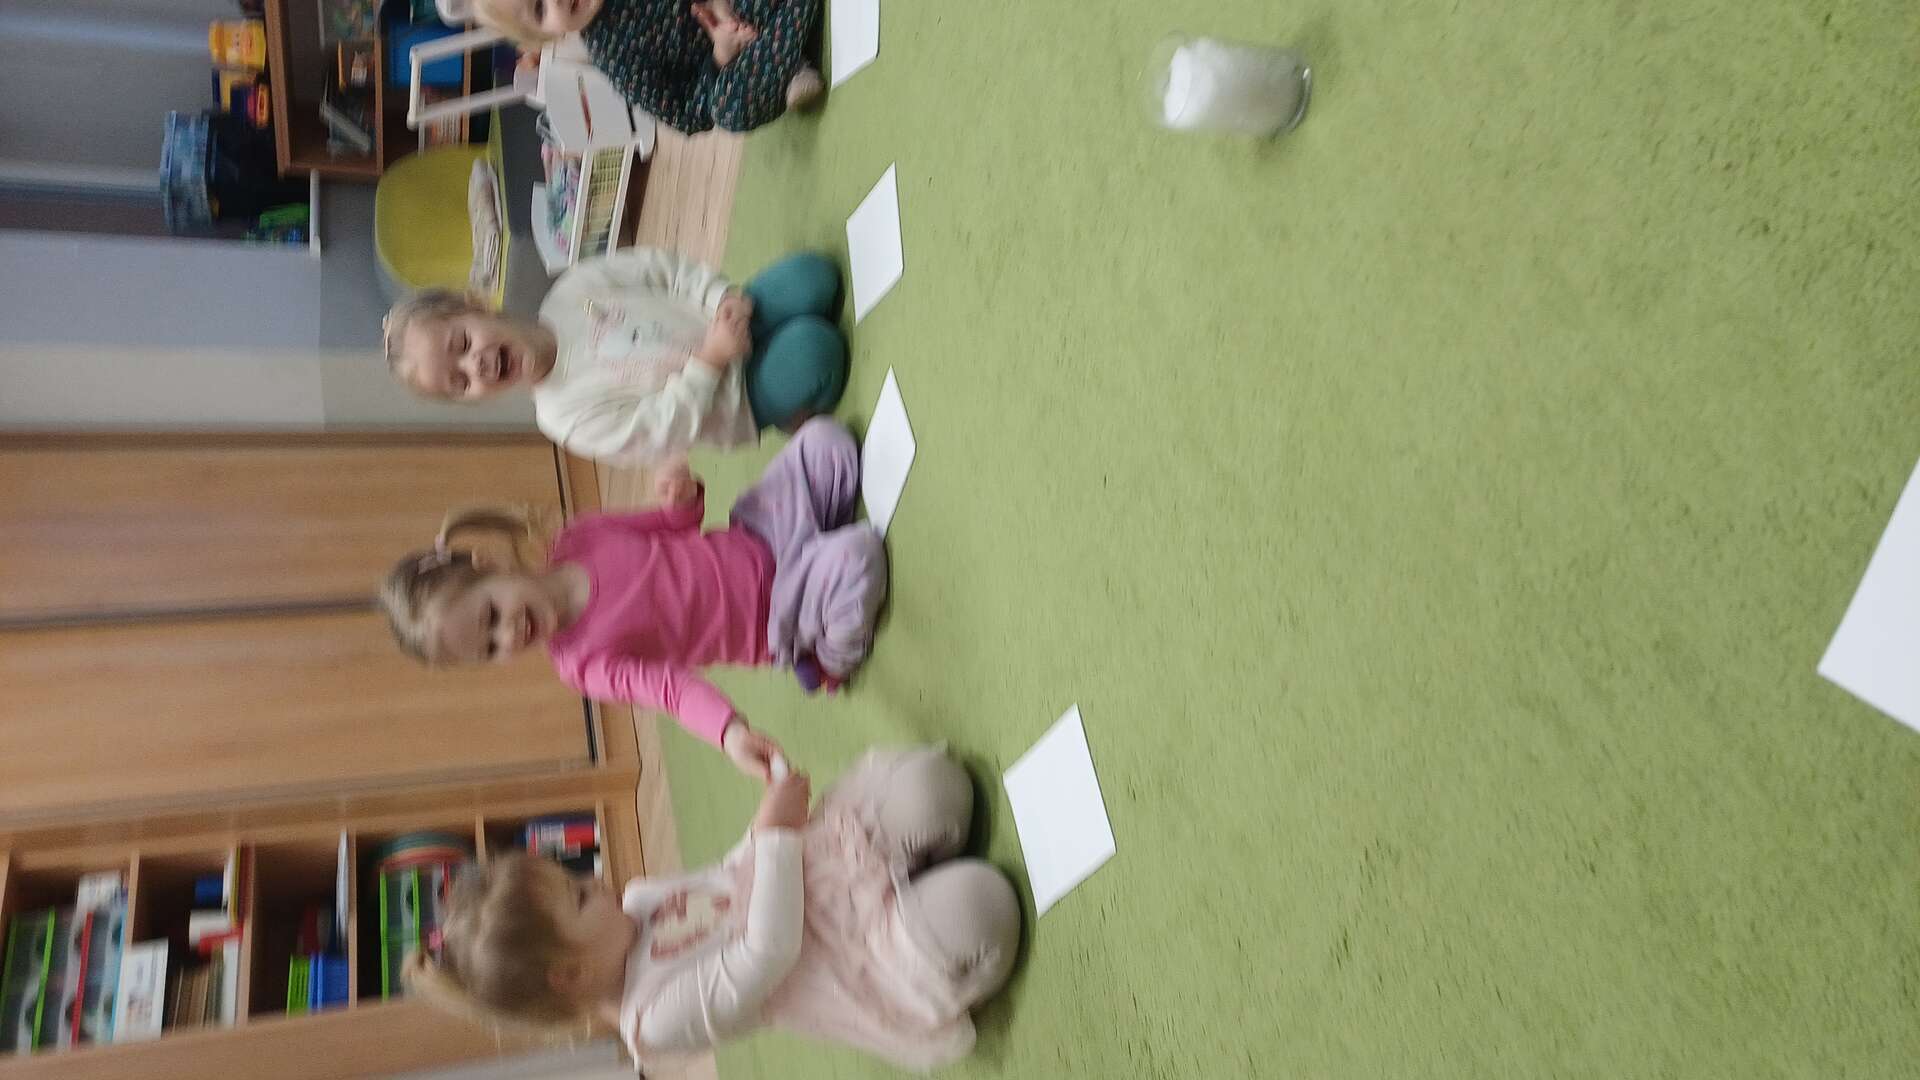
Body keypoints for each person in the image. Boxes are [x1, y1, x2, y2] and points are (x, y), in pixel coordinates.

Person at [405, 747, 1021, 1071]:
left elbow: (731, 875)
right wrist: (776, 837)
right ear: (570, 972)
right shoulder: (654, 1022)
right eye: (579, 896)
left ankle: (915, 867)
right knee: (982, 906)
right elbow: (769, 952)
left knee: (934, 785)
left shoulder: (636, 904)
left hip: (822, 877)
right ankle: (926, 902)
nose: (594, 881)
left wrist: (765, 822)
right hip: (850, 962)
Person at [378, 419, 885, 776]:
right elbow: (670, 691)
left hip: (757, 536)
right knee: (858, 555)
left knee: (826, 442)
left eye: (491, 615)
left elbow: (677, 525)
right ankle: (825, 657)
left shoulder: (580, 536)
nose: (507, 635)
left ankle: (821, 563)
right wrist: (728, 732)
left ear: (489, 564)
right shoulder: (583, 666)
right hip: (776, 617)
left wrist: (681, 495)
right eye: (491, 649)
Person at [384, 249, 847, 470]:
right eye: (461, 382)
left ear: (477, 303)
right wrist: (712, 358)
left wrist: (722, 298)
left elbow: (662, 271)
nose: (476, 366)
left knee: (816, 277)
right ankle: (792, 409)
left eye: (463, 343)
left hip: (729, 320)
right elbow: (662, 428)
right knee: (816, 348)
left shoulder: (571, 291)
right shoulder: (563, 418)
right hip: (736, 400)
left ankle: (786, 365)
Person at [471, 0, 823, 133]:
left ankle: (783, 60)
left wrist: (719, 6)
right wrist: (720, 56)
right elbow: (688, 115)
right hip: (739, 65)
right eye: (540, 8)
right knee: (728, 110)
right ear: (545, 37)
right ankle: (786, 60)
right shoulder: (614, 56)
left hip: (746, 8)